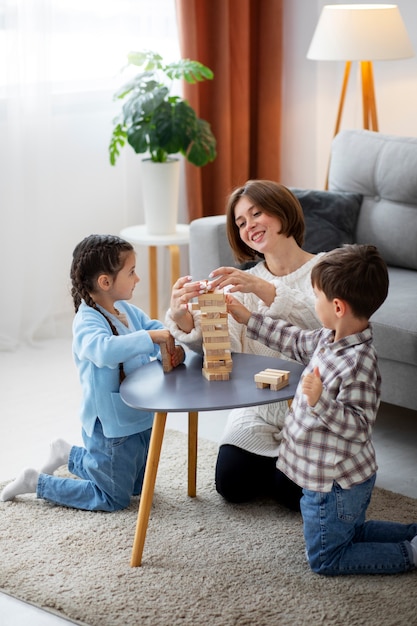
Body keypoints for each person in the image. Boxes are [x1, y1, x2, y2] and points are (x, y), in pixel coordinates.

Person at [227, 243, 417, 575]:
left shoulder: (358, 363)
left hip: (335, 483)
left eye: (317, 297)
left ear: (339, 306)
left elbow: (358, 427)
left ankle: (409, 554)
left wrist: (321, 401)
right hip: (326, 477)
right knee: (352, 532)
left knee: (327, 558)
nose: (314, 303)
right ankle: (411, 536)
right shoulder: (329, 338)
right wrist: (249, 319)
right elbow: (293, 339)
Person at [165, 180, 324, 511]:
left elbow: (324, 328)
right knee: (231, 485)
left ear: (282, 212)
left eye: (257, 214)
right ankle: (293, 465)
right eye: (240, 222)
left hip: (312, 409)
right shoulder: (242, 283)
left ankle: (303, 464)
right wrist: (183, 319)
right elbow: (224, 349)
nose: (249, 226)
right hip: (259, 408)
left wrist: (266, 289)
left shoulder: (327, 267)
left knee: (292, 496)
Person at [0, 234, 185, 511]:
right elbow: (104, 350)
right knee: (112, 497)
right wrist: (150, 338)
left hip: (141, 415)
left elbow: (153, 326)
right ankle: (35, 482)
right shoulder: (87, 322)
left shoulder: (125, 309)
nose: (138, 279)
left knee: (138, 485)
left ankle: (66, 453)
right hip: (113, 425)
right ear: (105, 282)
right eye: (132, 272)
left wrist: (172, 341)